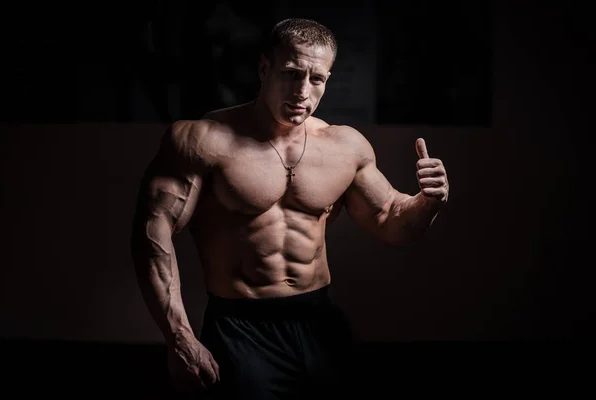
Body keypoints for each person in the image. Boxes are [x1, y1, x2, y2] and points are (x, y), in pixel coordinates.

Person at [130, 18, 449, 399]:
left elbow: (390, 221)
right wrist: (178, 336)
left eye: (317, 79)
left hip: (318, 321)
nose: (302, 91)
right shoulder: (203, 139)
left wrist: (427, 203)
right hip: (241, 327)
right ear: (265, 69)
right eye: (291, 73)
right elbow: (152, 235)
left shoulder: (345, 146)